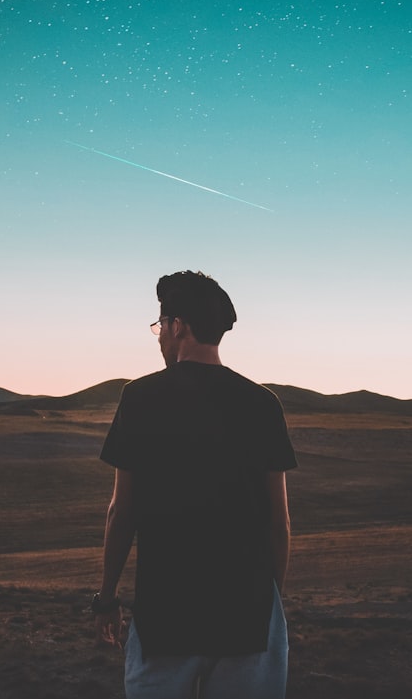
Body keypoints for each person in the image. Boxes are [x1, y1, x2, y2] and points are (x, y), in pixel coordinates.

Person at [93, 270, 298, 699]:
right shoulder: (264, 405)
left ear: (178, 327)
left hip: (166, 615)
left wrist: (107, 597)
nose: (159, 337)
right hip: (248, 614)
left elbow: (121, 511)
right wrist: (268, 604)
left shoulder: (140, 398)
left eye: (160, 327)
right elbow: (278, 522)